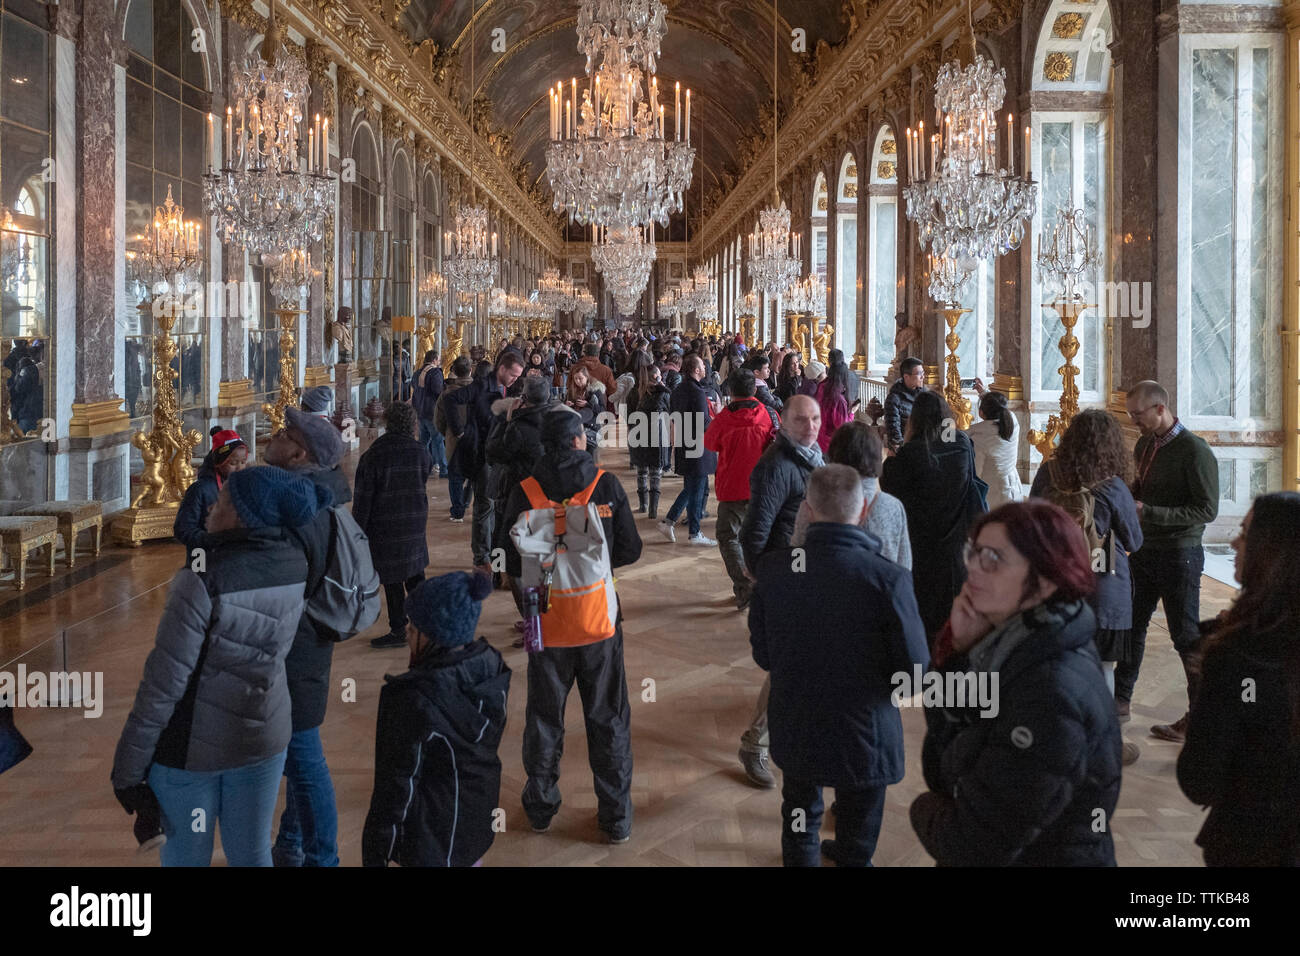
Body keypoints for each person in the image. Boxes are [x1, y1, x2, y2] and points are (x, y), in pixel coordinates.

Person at [111, 467, 330, 866]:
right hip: (263, 736)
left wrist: (127, 773)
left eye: (225, 500)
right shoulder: (295, 563)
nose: (213, 505)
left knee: (187, 857)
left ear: (243, 517)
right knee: (251, 854)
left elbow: (162, 688)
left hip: (192, 750)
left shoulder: (201, 580)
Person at [909, 501, 1122, 866]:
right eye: (973, 552)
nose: (972, 567)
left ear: (1043, 583)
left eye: (993, 558)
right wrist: (957, 651)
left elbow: (974, 843)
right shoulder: (1012, 646)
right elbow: (943, 764)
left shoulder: (1050, 695)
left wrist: (920, 809)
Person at [750, 464, 929, 866]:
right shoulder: (890, 579)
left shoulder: (776, 571)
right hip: (867, 730)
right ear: (864, 509)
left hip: (797, 722)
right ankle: (851, 856)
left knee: (800, 812)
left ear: (807, 511)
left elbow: (764, 655)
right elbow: (915, 671)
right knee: (859, 817)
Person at [497, 409, 643, 842]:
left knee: (543, 716)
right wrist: (589, 558)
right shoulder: (606, 486)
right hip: (598, 619)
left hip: (542, 619)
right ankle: (615, 817)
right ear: (580, 440)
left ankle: (540, 808)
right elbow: (630, 550)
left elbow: (503, 553)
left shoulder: (525, 491)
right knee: (608, 717)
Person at [1177, 492, 1300, 866]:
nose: (1234, 541)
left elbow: (1200, 778)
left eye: (1245, 534)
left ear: (1273, 552)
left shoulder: (1239, 653)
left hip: (1252, 841)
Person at [362, 571, 512, 867]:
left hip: (429, 840)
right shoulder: (491, 669)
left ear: (432, 636)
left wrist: (376, 854)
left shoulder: (412, 699)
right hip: (473, 828)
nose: (406, 632)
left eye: (414, 627)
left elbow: (395, 792)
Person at [257, 409, 352, 868]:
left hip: (292, 651)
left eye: (282, 433)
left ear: (298, 454)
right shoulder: (313, 500)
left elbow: (276, 587)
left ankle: (323, 857)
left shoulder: (296, 511)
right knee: (300, 755)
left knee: (305, 760)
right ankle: (292, 843)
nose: (271, 436)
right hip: (307, 646)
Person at [1028, 409, 1142, 764]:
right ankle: (1105, 745)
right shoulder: (1114, 485)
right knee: (1104, 668)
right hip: (1104, 589)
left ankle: (1055, 736)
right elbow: (1134, 541)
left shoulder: (1049, 472)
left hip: (1056, 584)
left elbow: (1030, 517)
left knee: (1058, 663)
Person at [1119, 380, 1219, 741]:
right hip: (1145, 550)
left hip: (1180, 554)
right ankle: (1120, 700)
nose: (1133, 421)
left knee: (1185, 636)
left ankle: (1200, 718)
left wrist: (1151, 512)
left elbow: (1206, 509)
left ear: (1160, 409)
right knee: (1131, 626)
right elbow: (1142, 488)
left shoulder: (1195, 451)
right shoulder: (1146, 443)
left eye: (1138, 414)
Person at [736, 394, 824, 788]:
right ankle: (756, 743)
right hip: (785, 576)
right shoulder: (775, 467)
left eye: (816, 418)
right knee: (790, 662)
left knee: (800, 662)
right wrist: (761, 578)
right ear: (784, 424)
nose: (811, 427)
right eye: (802, 421)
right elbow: (756, 529)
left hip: (807, 574)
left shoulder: (812, 456)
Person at [881, 390, 983, 641]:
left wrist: (893, 458)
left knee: (923, 624)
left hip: (919, 552)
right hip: (956, 551)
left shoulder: (909, 456)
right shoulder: (962, 445)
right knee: (953, 622)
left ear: (914, 419)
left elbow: (891, 498)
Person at [354, 402, 433, 648]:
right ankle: (427, 623)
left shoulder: (374, 455)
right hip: (414, 521)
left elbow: (363, 499)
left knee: (392, 580)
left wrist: (358, 532)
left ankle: (399, 628)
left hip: (385, 525)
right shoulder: (421, 451)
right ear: (412, 423)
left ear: (387, 423)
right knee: (415, 574)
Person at [704, 368, 777, 611]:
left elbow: (710, 443)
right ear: (754, 389)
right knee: (760, 537)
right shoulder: (769, 414)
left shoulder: (724, 419)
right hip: (763, 488)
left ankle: (744, 585)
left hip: (732, 487)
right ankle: (765, 584)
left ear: (730, 391)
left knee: (728, 536)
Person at [790, 422, 911, 569]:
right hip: (882, 588)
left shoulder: (815, 502)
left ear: (834, 455)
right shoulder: (893, 507)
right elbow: (904, 566)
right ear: (877, 456)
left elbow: (797, 560)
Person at [446, 351, 525, 571]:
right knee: (485, 505)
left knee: (491, 505)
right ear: (502, 369)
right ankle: (481, 559)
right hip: (481, 454)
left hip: (496, 453)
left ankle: (490, 555)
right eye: (513, 375)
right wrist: (459, 431)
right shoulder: (481, 386)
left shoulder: (506, 389)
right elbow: (450, 399)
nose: (515, 379)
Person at [659, 354, 719, 546]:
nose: (705, 367)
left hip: (685, 442)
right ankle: (694, 533)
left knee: (691, 487)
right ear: (696, 370)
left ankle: (668, 521)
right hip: (698, 445)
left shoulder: (678, 389)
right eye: (702, 365)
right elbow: (703, 422)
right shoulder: (697, 392)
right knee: (697, 487)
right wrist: (717, 419)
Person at [174, 427, 249, 551]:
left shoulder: (246, 486)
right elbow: (183, 529)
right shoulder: (199, 490)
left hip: (235, 556)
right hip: (202, 556)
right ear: (218, 463)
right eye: (233, 463)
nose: (240, 468)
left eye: (243, 462)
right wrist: (211, 539)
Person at [967, 383, 1023, 508]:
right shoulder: (1012, 421)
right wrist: (983, 393)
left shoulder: (978, 437)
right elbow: (1000, 407)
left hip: (992, 494)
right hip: (1013, 486)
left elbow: (976, 474)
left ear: (981, 412)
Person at [435, 355, 475, 522]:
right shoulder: (479, 391)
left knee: (455, 476)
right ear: (471, 370)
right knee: (473, 473)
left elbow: (439, 420)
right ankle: (466, 501)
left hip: (454, 439)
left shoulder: (446, 394)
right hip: (475, 438)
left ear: (453, 373)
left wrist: (448, 434)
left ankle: (457, 510)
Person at [631, 363, 671, 518]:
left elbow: (628, 413)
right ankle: (653, 510)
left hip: (638, 433)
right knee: (655, 472)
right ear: (656, 376)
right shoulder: (663, 393)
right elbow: (671, 408)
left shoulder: (635, 392)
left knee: (641, 471)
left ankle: (643, 505)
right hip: (658, 435)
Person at [412, 349, 448, 479]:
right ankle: (444, 469)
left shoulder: (417, 372)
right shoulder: (435, 373)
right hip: (432, 411)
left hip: (420, 411)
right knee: (438, 440)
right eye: (438, 360)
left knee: (423, 441)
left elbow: (414, 387)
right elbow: (439, 391)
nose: (439, 362)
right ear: (434, 360)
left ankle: (422, 467)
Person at [884, 357, 924, 453]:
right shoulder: (894, 398)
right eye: (919, 374)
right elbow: (893, 426)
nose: (923, 377)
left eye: (923, 373)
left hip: (922, 445)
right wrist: (900, 449)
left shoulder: (924, 393)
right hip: (905, 447)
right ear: (906, 377)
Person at [815, 360, 855, 452]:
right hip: (831, 444)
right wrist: (851, 413)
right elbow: (843, 427)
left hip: (819, 438)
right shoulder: (838, 399)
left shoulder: (821, 388)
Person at [564, 365, 602, 453]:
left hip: (591, 426)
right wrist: (567, 405)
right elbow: (566, 405)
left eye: (580, 378)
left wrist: (588, 404)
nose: (577, 381)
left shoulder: (595, 391)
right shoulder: (571, 390)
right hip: (575, 426)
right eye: (575, 378)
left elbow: (602, 411)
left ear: (587, 377)